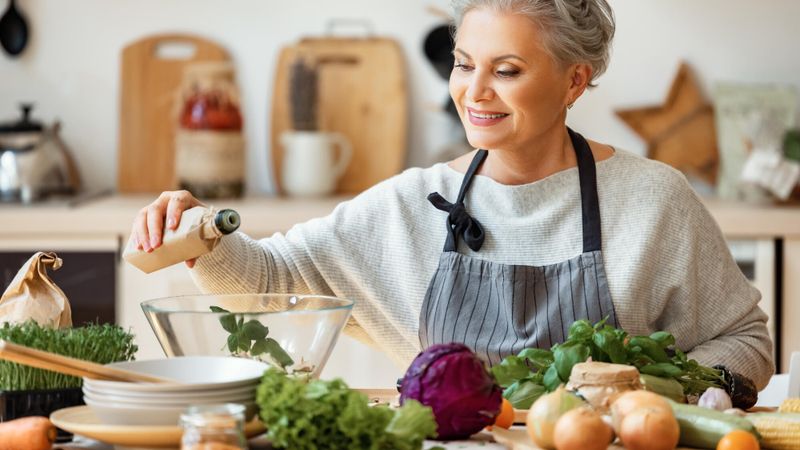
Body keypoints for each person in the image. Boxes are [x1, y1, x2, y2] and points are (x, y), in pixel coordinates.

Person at [132, 0, 774, 389]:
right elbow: (273, 279)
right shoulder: (412, 204)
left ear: (574, 80)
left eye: (508, 70)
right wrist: (202, 234)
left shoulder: (655, 202)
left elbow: (744, 340)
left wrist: (667, 395)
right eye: (465, 63)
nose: (473, 91)